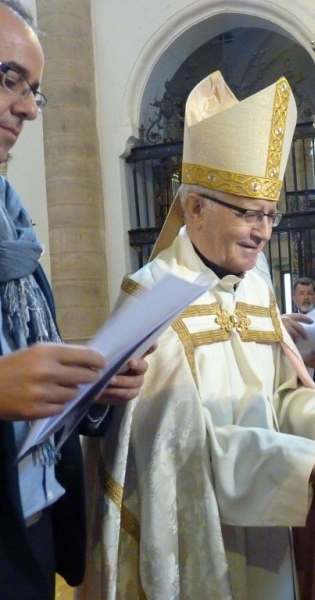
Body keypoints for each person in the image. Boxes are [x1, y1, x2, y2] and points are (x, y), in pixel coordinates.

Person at [80, 71, 315, 600]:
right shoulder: (154, 297)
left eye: (268, 214)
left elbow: (281, 394)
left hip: (265, 518)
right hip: (190, 532)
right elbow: (167, 449)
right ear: (194, 208)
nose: (262, 231)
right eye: (247, 214)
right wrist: (292, 462)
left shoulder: (258, 287)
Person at [0, 3, 148, 599]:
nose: (29, 108)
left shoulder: (15, 230)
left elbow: (29, 364)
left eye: (34, 91)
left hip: (26, 533)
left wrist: (92, 383)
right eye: (10, 79)